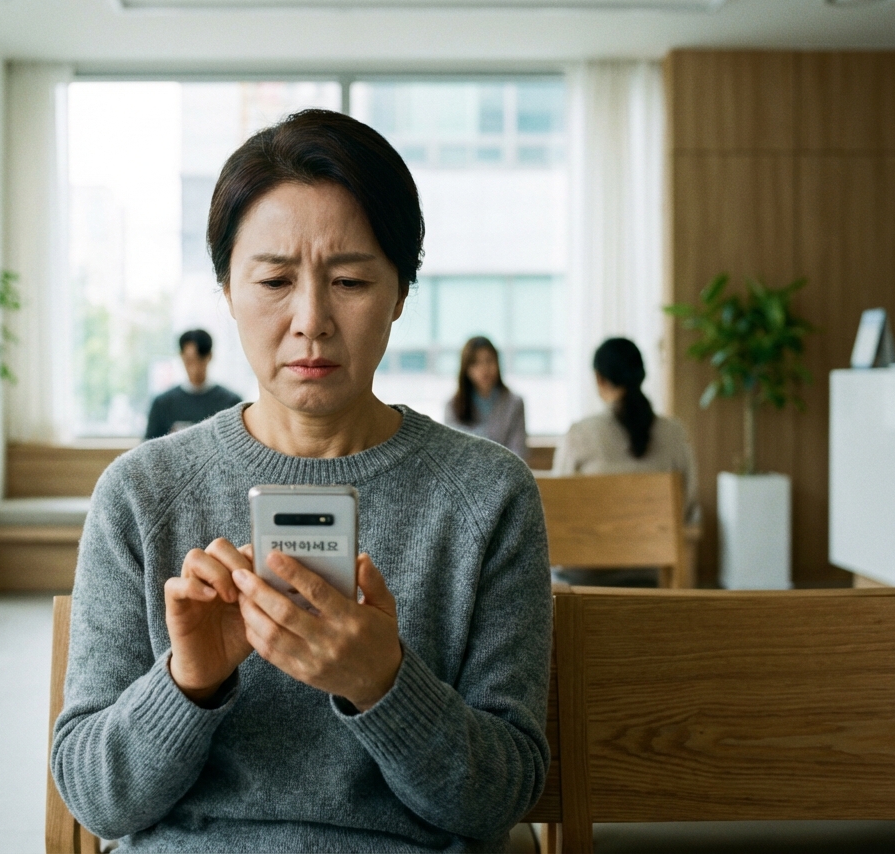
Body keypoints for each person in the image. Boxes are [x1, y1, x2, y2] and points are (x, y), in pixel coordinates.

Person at [52, 109, 552, 852]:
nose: (312, 320)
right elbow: (97, 801)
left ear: (401, 293)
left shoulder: (488, 494)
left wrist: (384, 683)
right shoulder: (142, 493)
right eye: (275, 280)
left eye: (349, 279)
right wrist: (188, 681)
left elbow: (501, 798)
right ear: (226, 289)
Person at [553, 337, 699, 586]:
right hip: (654, 572)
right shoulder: (674, 433)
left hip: (585, 577)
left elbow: (557, 509)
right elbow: (689, 502)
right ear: (641, 376)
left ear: (599, 379)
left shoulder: (579, 434)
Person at [144, 329, 241, 439]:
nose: (194, 369)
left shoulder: (231, 402)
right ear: (181, 356)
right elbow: (149, 448)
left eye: (200, 360)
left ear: (210, 356)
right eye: (189, 361)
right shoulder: (162, 404)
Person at [444, 336, 528, 460]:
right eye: (475, 363)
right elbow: (453, 454)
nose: (484, 368)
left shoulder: (514, 403)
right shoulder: (453, 405)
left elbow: (518, 452)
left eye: (489, 360)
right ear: (466, 369)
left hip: (507, 474)